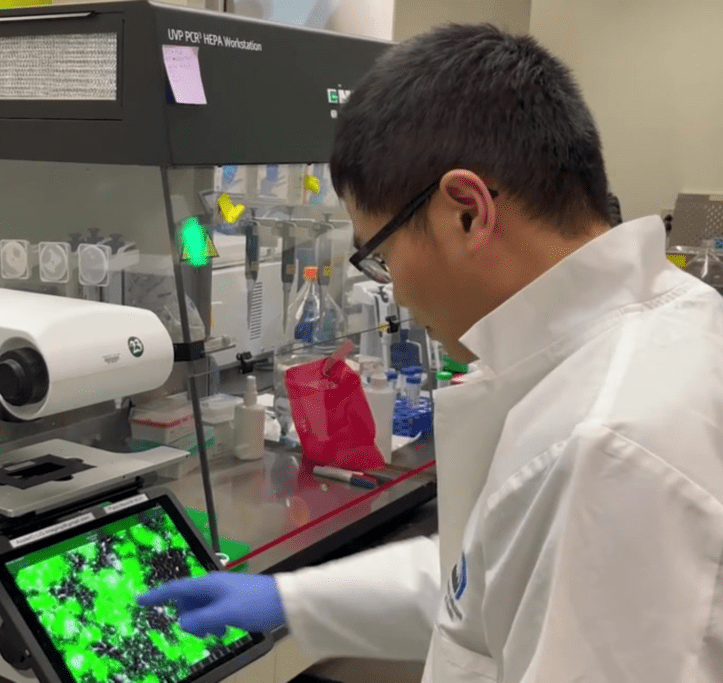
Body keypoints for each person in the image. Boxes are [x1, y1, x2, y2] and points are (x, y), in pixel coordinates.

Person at [139, 23, 723, 682]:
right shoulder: (670, 321)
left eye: (381, 254)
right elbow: (480, 583)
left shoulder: (613, 446)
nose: (393, 286)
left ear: (467, 212)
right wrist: (287, 598)